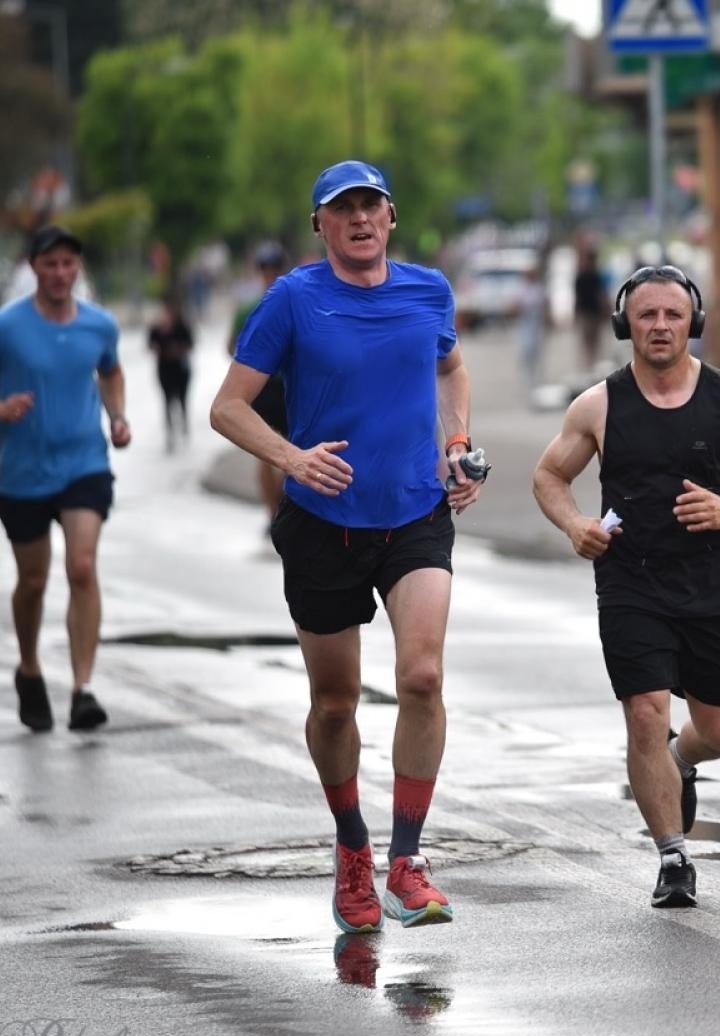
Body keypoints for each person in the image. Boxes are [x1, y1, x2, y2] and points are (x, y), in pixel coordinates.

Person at [210, 160, 483, 933]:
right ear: (320, 226)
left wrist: (457, 440)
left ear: (392, 217)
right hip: (323, 522)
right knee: (335, 705)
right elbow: (228, 409)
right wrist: (293, 458)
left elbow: (451, 364)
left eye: (372, 206)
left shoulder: (428, 290)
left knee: (422, 677)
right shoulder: (292, 301)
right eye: (343, 209)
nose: (360, 219)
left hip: (416, 513)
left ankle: (406, 861)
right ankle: (353, 847)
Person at [532, 265, 720, 908]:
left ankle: (683, 760)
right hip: (630, 582)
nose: (659, 326)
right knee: (645, 715)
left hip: (710, 585)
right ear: (626, 324)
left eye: (673, 315)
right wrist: (576, 526)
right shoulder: (597, 404)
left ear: (693, 324)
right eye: (646, 314)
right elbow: (547, 476)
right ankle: (673, 858)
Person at [0, 224, 130, 733]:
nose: (60, 273)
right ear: (33, 267)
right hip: (23, 473)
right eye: (50, 264)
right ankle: (29, 668)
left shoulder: (100, 325)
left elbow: (111, 371)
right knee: (33, 581)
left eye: (69, 264)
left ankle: (82, 689)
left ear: (78, 269)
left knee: (82, 565)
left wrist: (117, 415)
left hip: (84, 464)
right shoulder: (3, 327)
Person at [229, 242, 290, 522]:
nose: (271, 275)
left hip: (288, 387)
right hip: (267, 387)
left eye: (273, 269)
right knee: (270, 453)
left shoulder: (288, 303)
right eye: (268, 270)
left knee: (286, 452)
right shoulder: (252, 308)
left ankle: (277, 507)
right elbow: (231, 346)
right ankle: (272, 510)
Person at [146, 293, 194, 453]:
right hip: (165, 369)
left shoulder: (182, 325)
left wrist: (178, 349)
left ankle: (184, 424)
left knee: (182, 399)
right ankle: (170, 432)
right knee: (166, 402)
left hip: (181, 369)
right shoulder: (157, 327)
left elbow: (190, 344)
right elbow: (150, 346)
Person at [572, 244, 609, 373]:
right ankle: (589, 365)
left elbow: (602, 294)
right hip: (586, 312)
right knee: (588, 341)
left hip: (594, 312)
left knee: (594, 340)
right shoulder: (582, 276)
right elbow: (577, 297)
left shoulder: (594, 275)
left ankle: (592, 365)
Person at [515, 263, 547, 391]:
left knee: (537, 349)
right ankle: (527, 376)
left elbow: (545, 305)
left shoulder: (539, 289)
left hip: (537, 323)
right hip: (526, 323)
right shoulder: (521, 290)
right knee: (526, 348)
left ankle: (538, 376)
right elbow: (515, 306)